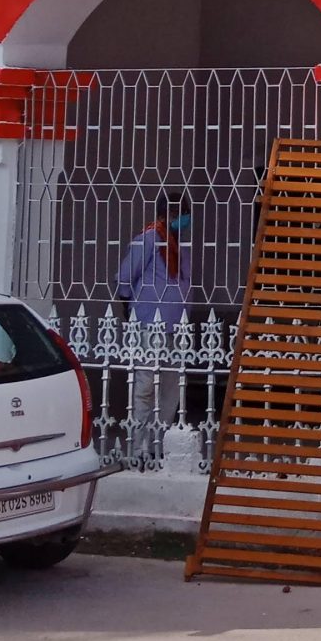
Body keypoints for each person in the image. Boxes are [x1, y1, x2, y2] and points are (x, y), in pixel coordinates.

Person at [115, 190, 197, 458]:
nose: (183, 218)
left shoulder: (180, 248)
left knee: (172, 389)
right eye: (179, 213)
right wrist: (129, 307)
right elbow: (125, 277)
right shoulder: (149, 239)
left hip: (176, 328)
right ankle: (138, 447)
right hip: (150, 324)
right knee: (145, 387)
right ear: (165, 214)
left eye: (185, 213)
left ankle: (157, 445)